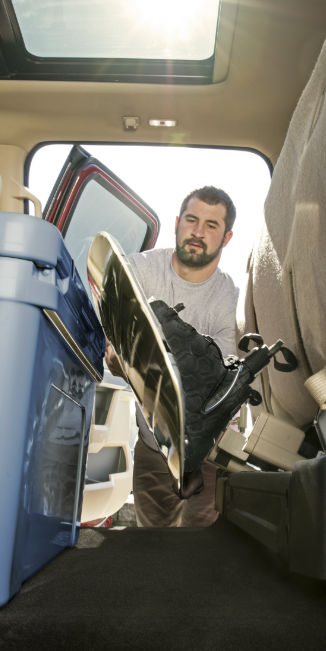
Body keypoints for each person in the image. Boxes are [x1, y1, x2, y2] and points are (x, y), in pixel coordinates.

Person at [105, 186, 240, 528]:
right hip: (154, 442)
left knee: (201, 545)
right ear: (178, 223)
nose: (198, 232)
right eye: (192, 220)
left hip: (210, 444)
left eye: (212, 225)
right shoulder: (139, 270)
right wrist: (119, 356)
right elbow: (112, 331)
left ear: (226, 238)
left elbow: (216, 381)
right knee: (153, 542)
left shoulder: (230, 300)